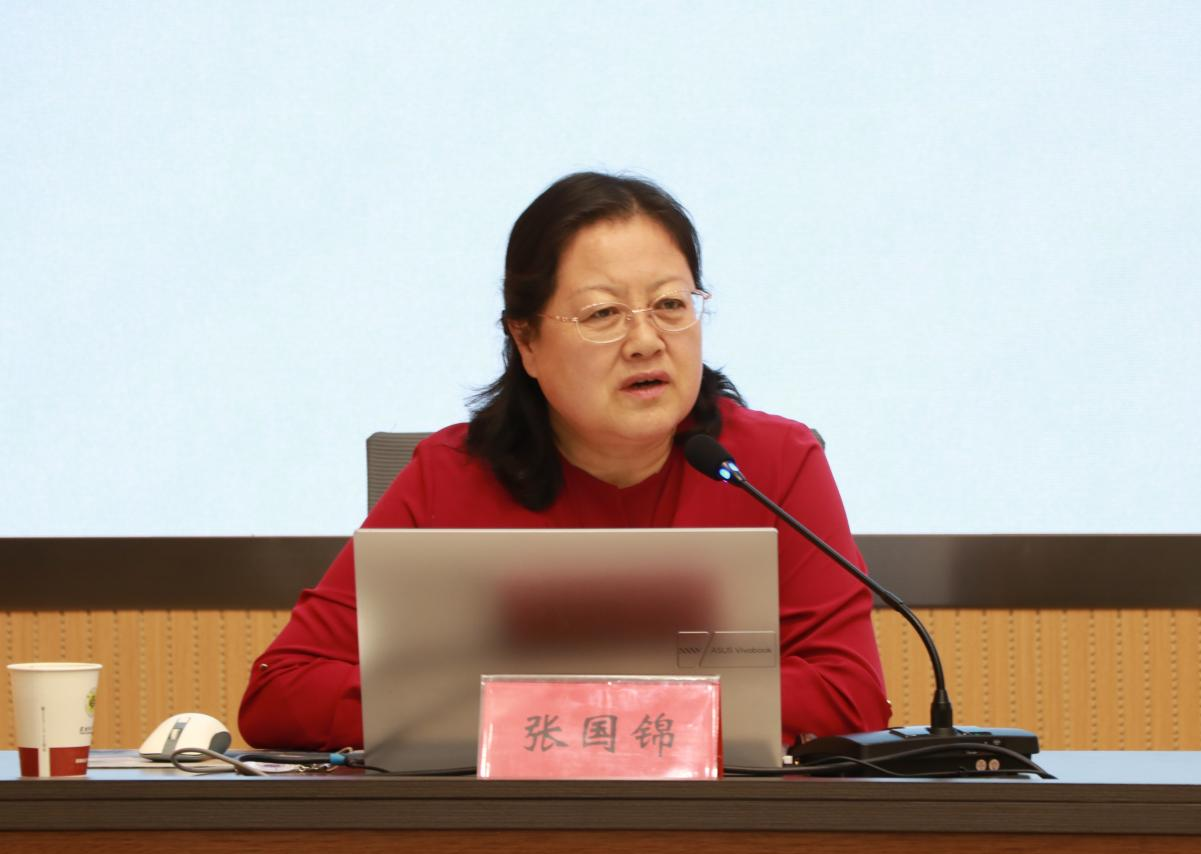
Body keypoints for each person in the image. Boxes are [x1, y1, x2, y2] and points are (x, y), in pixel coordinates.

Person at [239, 171, 891, 751]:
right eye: (603, 313)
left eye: (670, 304)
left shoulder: (770, 464)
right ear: (525, 340)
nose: (646, 341)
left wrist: (557, 707)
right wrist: (557, 713)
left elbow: (851, 693)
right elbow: (280, 691)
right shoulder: (449, 475)